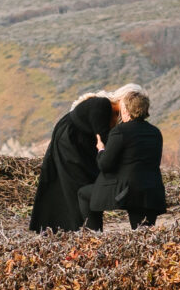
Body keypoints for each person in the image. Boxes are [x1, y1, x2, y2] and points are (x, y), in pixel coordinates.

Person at [29, 95, 118, 232]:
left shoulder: (104, 107)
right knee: (76, 187)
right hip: (70, 143)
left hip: (74, 142)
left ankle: (75, 229)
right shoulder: (103, 105)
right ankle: (81, 230)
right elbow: (104, 138)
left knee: (73, 186)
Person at [84, 88, 167, 228]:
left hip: (129, 192)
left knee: (83, 194)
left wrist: (101, 149)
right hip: (153, 191)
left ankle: (94, 235)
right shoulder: (155, 132)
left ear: (126, 110)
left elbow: (105, 165)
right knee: (145, 234)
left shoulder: (120, 132)